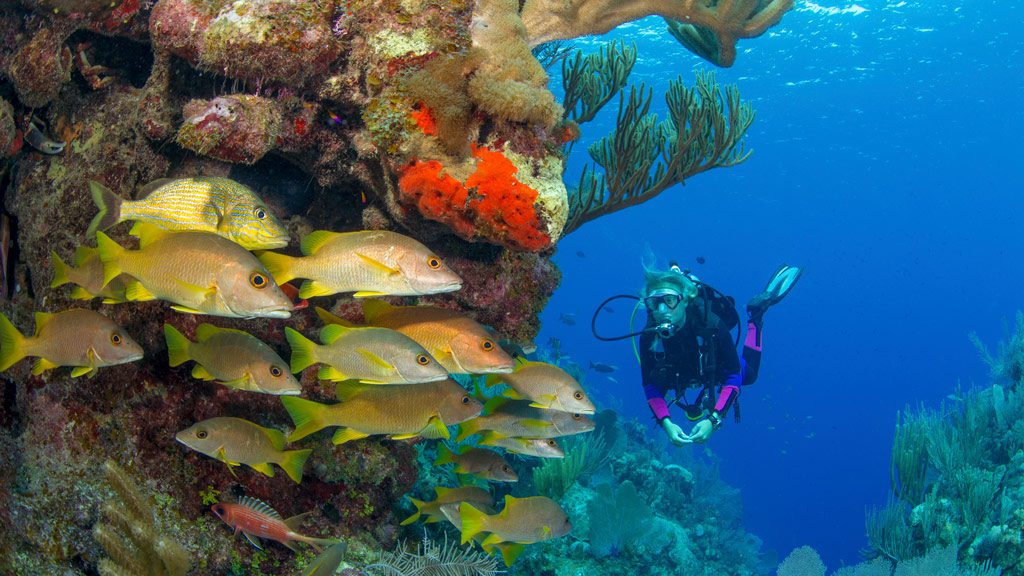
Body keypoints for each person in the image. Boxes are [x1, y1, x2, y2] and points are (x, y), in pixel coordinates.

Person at [639, 262, 802, 445]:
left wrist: (714, 420)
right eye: (655, 302)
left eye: (669, 300)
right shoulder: (649, 337)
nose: (662, 311)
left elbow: (733, 373)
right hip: (678, 373)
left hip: (712, 365)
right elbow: (650, 386)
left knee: (748, 375)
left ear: (684, 300)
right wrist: (666, 422)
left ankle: (755, 316)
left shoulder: (712, 325)